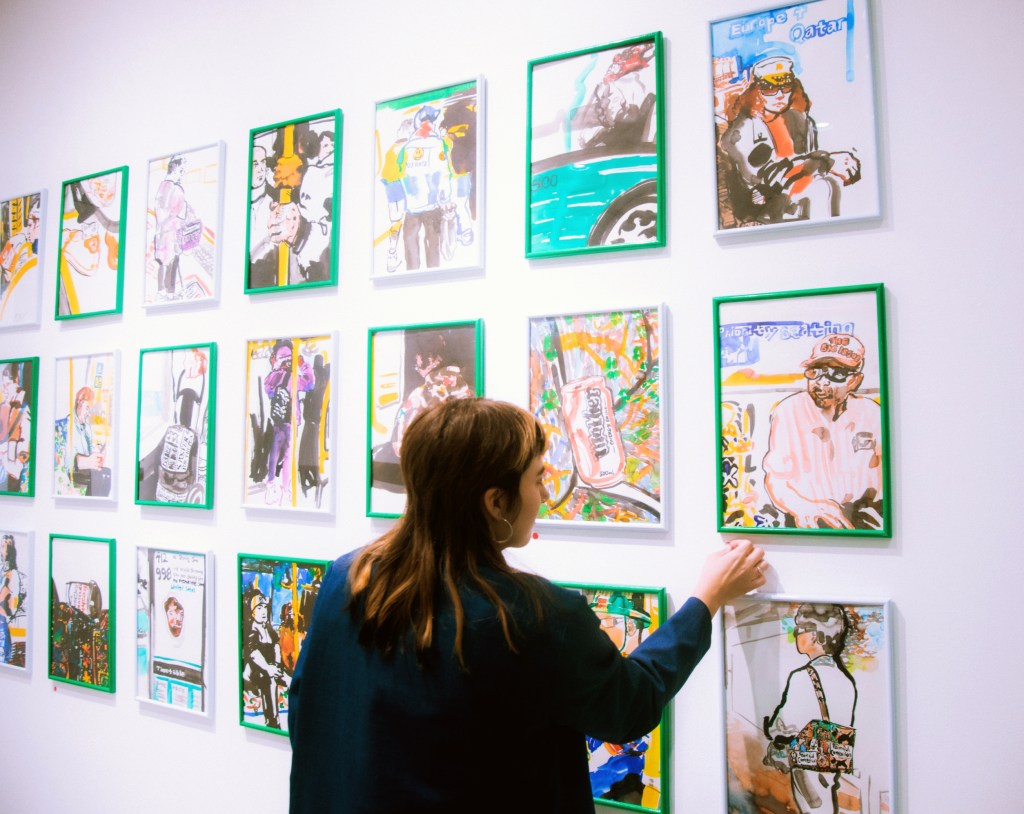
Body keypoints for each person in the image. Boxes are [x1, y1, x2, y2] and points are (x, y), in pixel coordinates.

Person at [289, 397, 767, 813]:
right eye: (538, 479)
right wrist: (706, 598)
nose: (542, 496)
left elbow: (305, 709)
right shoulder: (535, 616)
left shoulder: (347, 578)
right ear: (496, 503)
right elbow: (630, 706)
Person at [719, 56, 861, 225]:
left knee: (828, 185)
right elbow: (767, 177)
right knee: (823, 187)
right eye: (770, 88)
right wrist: (824, 161)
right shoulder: (745, 128)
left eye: (785, 87)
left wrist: (822, 163)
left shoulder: (801, 121)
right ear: (757, 90)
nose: (779, 95)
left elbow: (806, 164)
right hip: (762, 205)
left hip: (795, 195)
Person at [762, 332, 883, 530]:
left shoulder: (871, 414)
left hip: (867, 517)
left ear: (854, 381)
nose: (822, 382)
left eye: (836, 374)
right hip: (807, 518)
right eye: (815, 371)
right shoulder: (789, 411)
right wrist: (804, 507)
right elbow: (776, 479)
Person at [763, 604, 857, 814]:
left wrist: (772, 728)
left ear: (816, 636)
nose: (795, 635)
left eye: (799, 630)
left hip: (809, 763)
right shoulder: (846, 681)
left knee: (812, 807)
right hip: (832, 759)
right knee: (826, 803)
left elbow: (784, 725)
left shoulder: (803, 676)